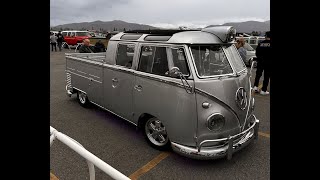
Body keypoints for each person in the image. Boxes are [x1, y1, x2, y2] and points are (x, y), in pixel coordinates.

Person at [253, 31, 271, 95]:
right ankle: (263, 90)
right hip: (269, 63)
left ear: (266, 36)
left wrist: (260, 58)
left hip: (260, 62)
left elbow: (257, 53)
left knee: (258, 75)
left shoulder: (260, 43)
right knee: (266, 76)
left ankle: (255, 87)